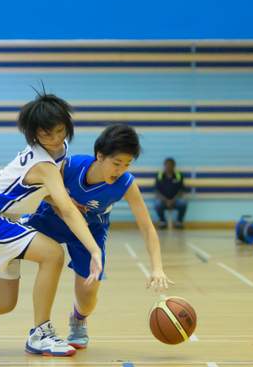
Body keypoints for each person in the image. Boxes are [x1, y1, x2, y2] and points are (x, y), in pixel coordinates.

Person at [0, 93, 102, 357]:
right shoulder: (43, 162)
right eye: (47, 135)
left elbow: (46, 192)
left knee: (2, 302)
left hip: (0, 218)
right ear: (34, 135)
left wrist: (61, 199)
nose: (56, 138)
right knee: (53, 254)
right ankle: (41, 332)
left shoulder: (59, 150)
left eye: (60, 131)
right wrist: (93, 249)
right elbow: (67, 210)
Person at [25, 124, 173, 349]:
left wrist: (158, 267)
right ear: (99, 156)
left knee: (88, 294)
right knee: (11, 243)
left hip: (91, 230)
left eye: (127, 164)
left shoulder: (126, 184)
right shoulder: (71, 166)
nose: (120, 170)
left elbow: (147, 227)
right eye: (116, 163)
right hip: (52, 218)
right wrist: (59, 201)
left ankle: (78, 319)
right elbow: (39, 188)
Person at [154, 157, 187, 229]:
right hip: (163, 200)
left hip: (175, 200)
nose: (169, 167)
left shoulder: (179, 175)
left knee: (183, 203)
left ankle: (179, 222)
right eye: (167, 165)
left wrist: (173, 200)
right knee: (157, 204)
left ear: (174, 166)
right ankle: (163, 222)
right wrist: (166, 200)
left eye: (171, 165)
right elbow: (157, 191)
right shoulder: (159, 175)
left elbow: (181, 190)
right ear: (164, 166)